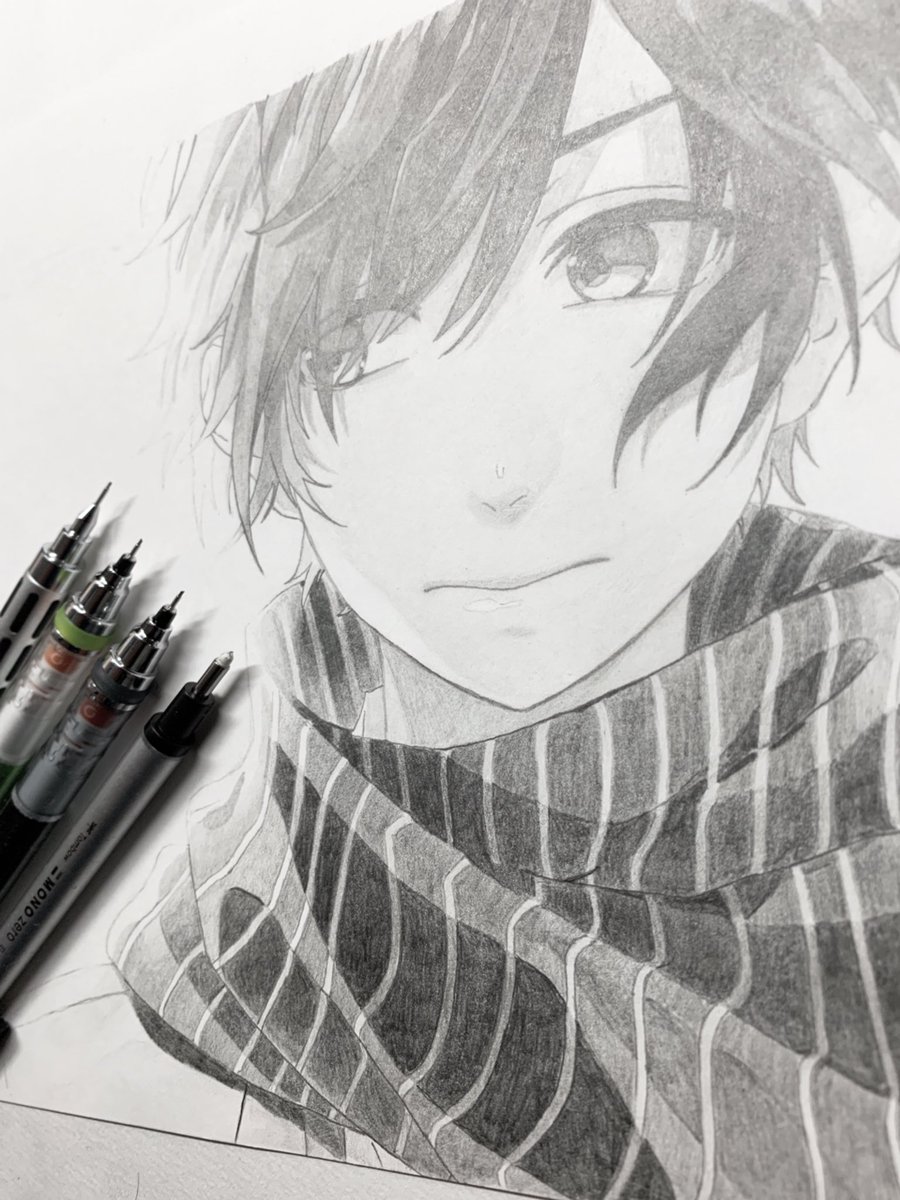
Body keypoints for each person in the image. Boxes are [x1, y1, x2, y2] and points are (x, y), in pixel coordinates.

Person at [111, 0, 900, 1195]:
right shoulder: (213, 946)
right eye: (349, 337)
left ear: (831, 285)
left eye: (615, 258)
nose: (496, 474)